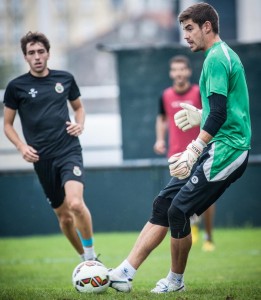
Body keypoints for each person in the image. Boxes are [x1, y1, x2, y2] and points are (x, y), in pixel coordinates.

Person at [109, 2, 251, 293]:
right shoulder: (218, 56)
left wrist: (194, 148)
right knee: (164, 204)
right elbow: (225, 109)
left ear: (206, 27)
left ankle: (175, 281)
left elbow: (221, 113)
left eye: (189, 29)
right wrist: (202, 116)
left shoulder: (216, 58)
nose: (185, 36)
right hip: (220, 144)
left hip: (229, 150)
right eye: (183, 29)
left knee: (178, 211)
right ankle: (124, 273)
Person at [3, 31, 99, 262]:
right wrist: (21, 147)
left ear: (48, 54)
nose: (36, 56)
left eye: (40, 52)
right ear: (25, 57)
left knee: (75, 203)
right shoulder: (16, 87)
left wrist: (80, 124)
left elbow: (79, 108)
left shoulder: (64, 78)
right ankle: (84, 259)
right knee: (64, 217)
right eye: (31, 53)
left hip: (68, 150)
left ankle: (91, 256)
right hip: (41, 158)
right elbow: (7, 125)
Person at [153, 55, 215, 250]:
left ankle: (209, 237)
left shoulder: (198, 92)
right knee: (178, 196)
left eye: (182, 69)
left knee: (207, 196)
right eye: (175, 70)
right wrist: (160, 139)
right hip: (176, 155)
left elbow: (211, 114)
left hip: (200, 151)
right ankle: (191, 227)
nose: (179, 73)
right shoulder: (165, 95)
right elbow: (161, 118)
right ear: (171, 73)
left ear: (188, 71)